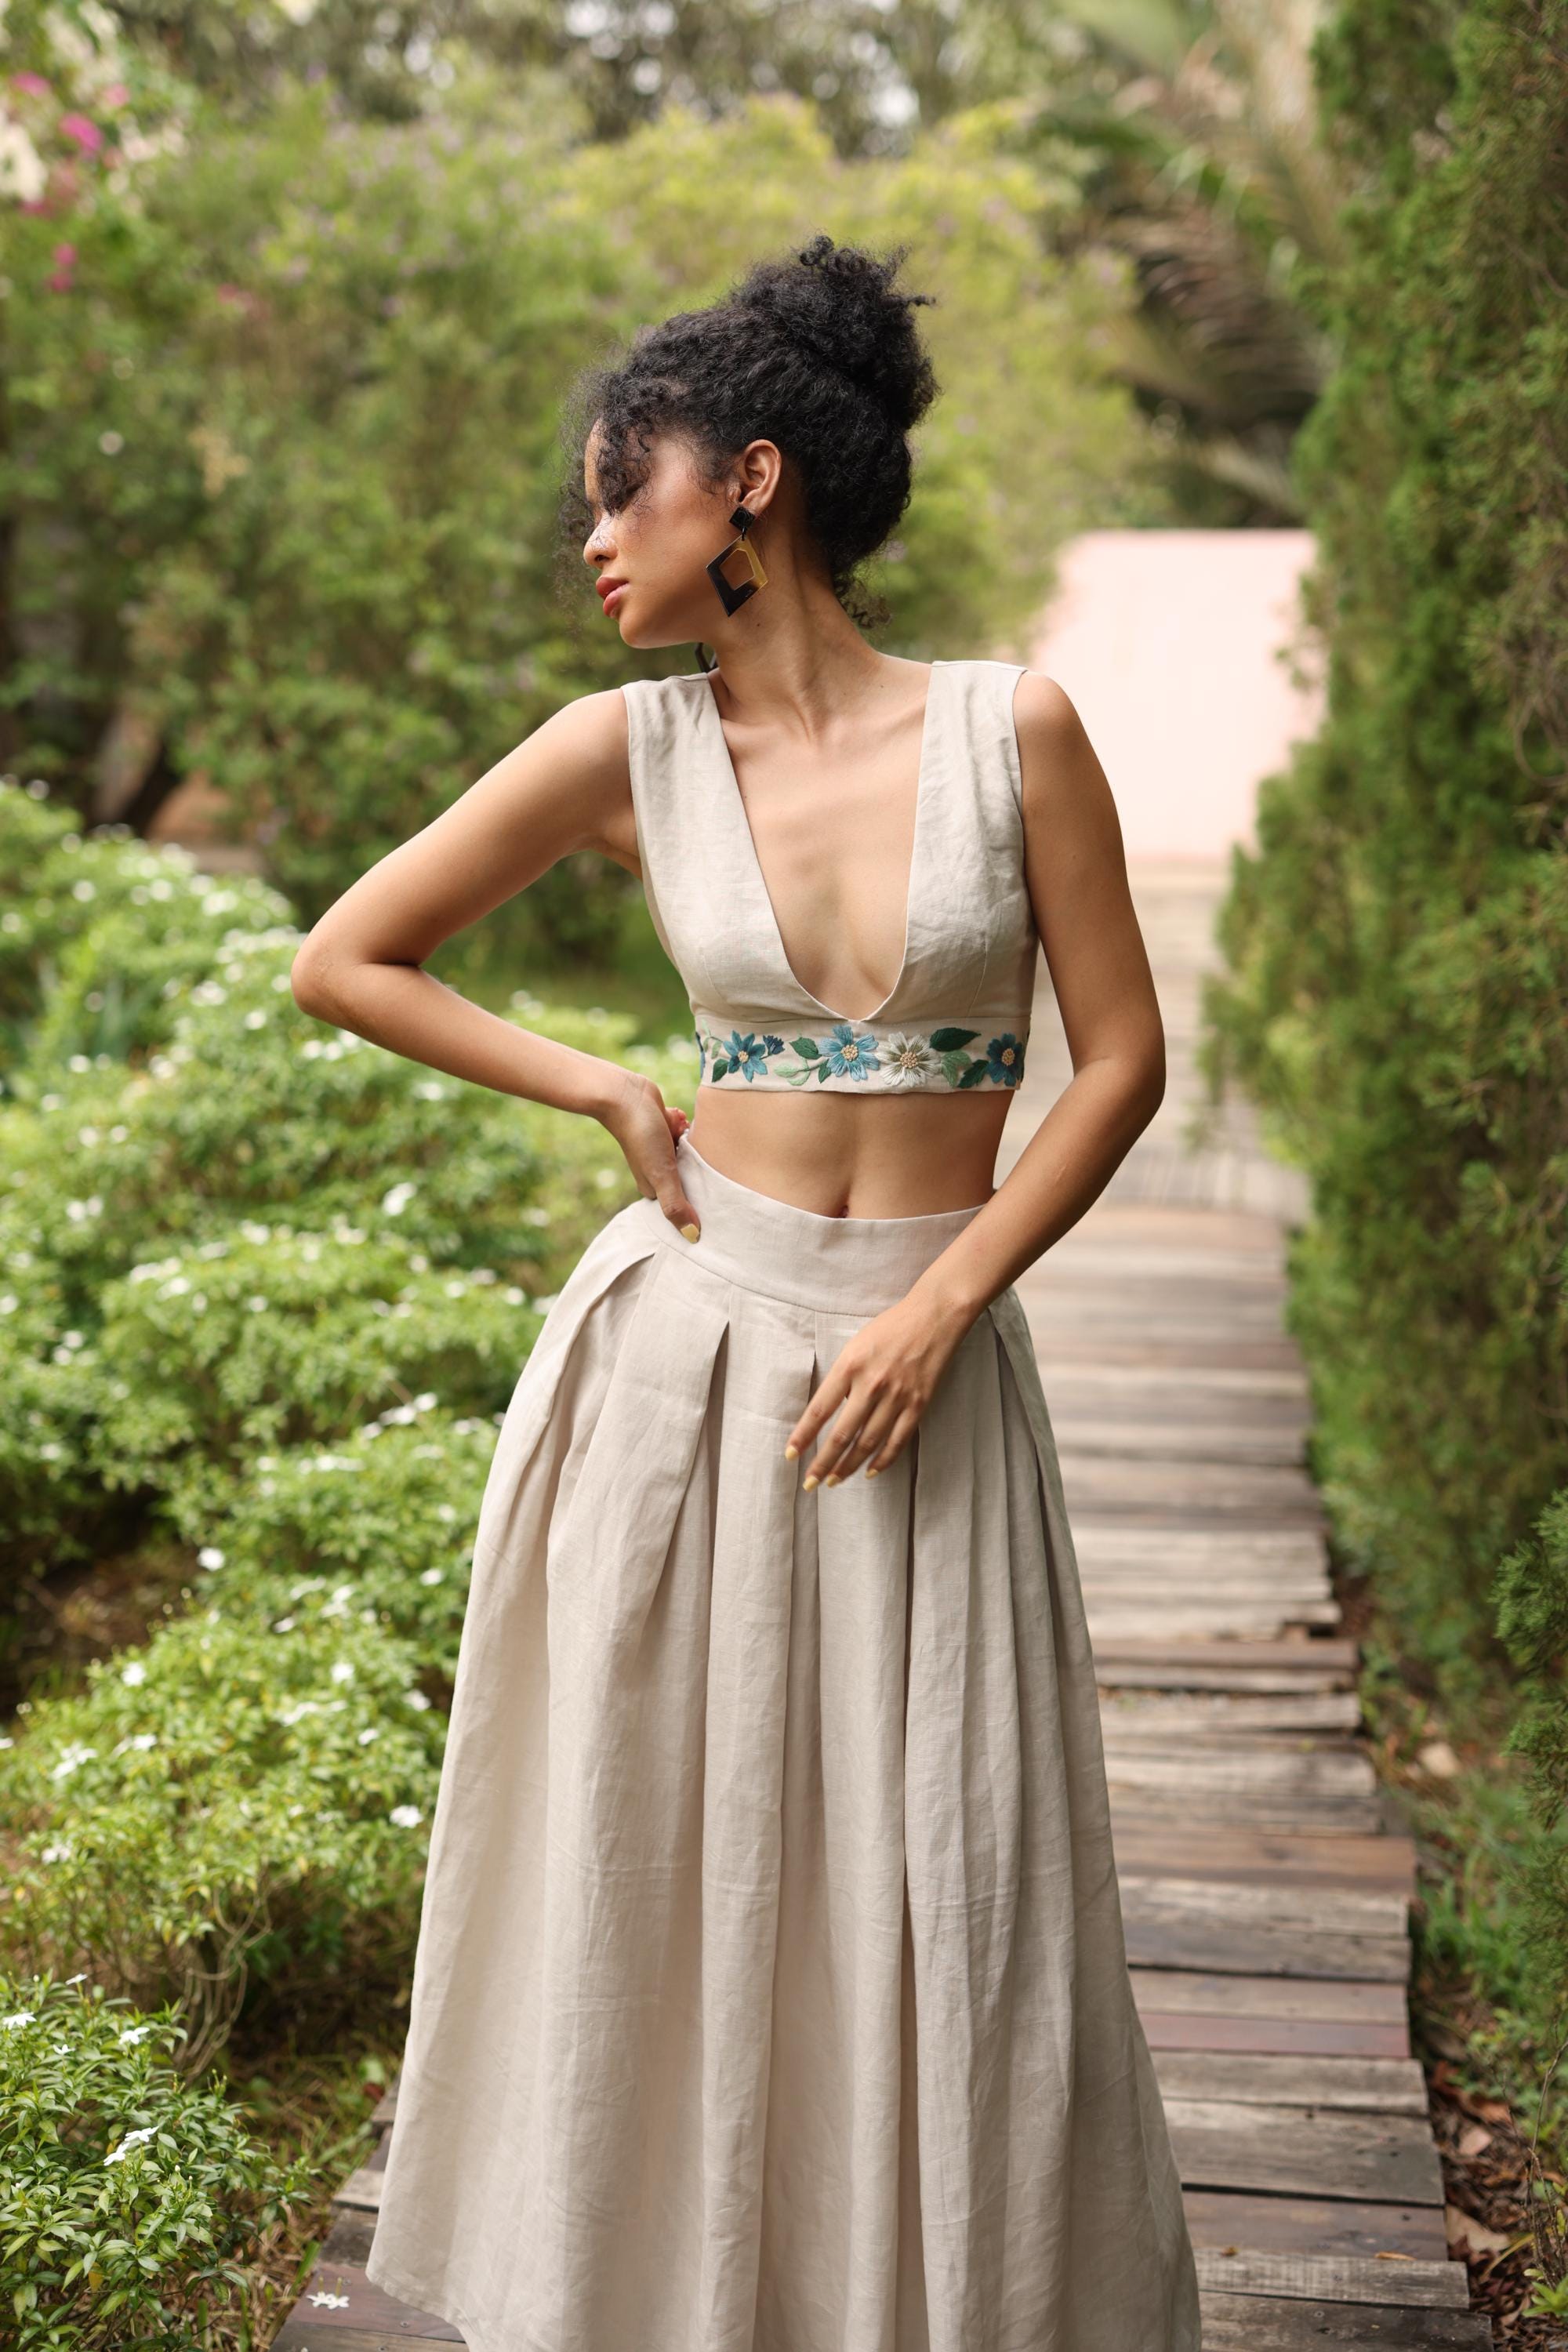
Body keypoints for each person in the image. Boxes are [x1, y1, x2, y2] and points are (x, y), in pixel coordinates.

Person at [293, 232, 1202, 2352]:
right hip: (686, 1364)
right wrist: (606, 1085)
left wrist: (947, 1301)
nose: (594, 539)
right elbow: (348, 956)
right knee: (667, 1873)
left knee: (950, 1873)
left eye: (623, 488)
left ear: (752, 484)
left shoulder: (1012, 730)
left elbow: (1124, 1060)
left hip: (921, 1367)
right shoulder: (624, 751)